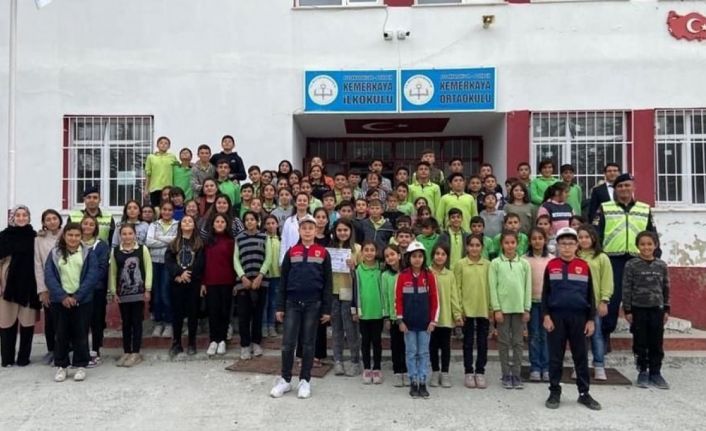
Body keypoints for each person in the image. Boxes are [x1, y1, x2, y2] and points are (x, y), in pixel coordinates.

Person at [270, 214, 332, 399]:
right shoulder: (291, 252)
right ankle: (285, 379)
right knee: (288, 343)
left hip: (314, 304)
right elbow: (283, 281)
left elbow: (328, 283)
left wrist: (326, 309)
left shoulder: (323, 253)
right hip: (292, 304)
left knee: (308, 344)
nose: (307, 231)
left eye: (310, 228)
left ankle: (305, 380)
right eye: (304, 228)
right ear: (299, 230)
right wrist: (280, 306)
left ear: (316, 230)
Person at [594, 173, 658, 352]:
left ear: (633, 187)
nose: (624, 189)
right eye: (620, 186)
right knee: (611, 299)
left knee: (639, 299)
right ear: (615, 189)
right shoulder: (605, 208)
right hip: (612, 260)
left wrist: (655, 256)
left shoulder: (644, 209)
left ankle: (639, 338)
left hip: (638, 260)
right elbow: (596, 234)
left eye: (627, 185)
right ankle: (605, 336)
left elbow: (652, 234)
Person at [542, 227, 601, 411]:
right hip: (556, 318)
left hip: (579, 318)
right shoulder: (551, 265)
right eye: (563, 244)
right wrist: (546, 316)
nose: (566, 247)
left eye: (570, 243)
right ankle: (554, 392)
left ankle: (584, 393)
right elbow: (545, 294)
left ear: (577, 246)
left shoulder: (584, 266)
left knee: (581, 356)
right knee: (555, 357)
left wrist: (591, 319)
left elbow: (591, 295)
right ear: (557, 246)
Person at [45, 223, 103, 382]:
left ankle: (80, 365)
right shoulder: (55, 253)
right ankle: (61, 366)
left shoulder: (88, 253)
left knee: (81, 334)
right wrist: (62, 296)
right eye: (70, 235)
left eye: (77, 235)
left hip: (82, 301)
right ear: (64, 236)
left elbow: (92, 275)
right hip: (60, 301)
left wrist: (77, 296)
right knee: (61, 334)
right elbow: (49, 276)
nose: (73, 238)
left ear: (81, 236)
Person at [623, 231, 670, 389]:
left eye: (650, 244)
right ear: (637, 246)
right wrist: (627, 310)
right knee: (640, 342)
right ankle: (642, 371)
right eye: (642, 244)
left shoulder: (661, 265)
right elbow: (626, 288)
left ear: (655, 245)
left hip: (657, 309)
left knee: (656, 342)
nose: (646, 247)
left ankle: (656, 373)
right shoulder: (631, 265)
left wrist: (666, 309)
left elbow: (666, 287)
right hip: (638, 309)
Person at [395, 241, 439, 399]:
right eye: (414, 256)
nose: (417, 259)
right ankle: (413, 381)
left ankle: (422, 381)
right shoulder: (402, 276)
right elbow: (398, 300)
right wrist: (400, 321)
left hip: (425, 324)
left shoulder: (429, 276)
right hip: (408, 324)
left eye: (420, 256)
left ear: (424, 258)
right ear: (408, 258)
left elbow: (435, 300)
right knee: (411, 352)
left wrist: (433, 321)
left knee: (424, 353)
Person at [489, 231, 531, 389]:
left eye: (512, 242)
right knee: (504, 342)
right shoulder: (496, 263)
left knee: (518, 343)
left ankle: (517, 374)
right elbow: (492, 287)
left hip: (519, 309)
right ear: (501, 244)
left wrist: (526, 308)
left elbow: (527, 287)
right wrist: (496, 309)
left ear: (517, 244)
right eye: (506, 243)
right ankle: (506, 374)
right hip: (503, 310)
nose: (510, 246)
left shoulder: (524, 264)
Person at [108, 224, 153, 368]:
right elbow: (113, 272)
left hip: (139, 292)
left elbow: (148, 268)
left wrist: (148, 289)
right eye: (124, 234)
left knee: (136, 322)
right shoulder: (115, 251)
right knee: (126, 322)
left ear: (135, 235)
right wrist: (113, 291)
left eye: (130, 233)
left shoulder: (142, 249)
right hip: (123, 293)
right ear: (120, 236)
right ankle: (126, 351)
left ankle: (136, 352)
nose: (127, 236)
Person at [0, 206, 39, 368]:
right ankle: (7, 358)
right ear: (13, 218)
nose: (21, 218)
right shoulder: (4, 236)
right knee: (6, 323)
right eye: (18, 215)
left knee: (27, 324)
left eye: (24, 215)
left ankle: (24, 358)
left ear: (29, 217)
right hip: (7, 284)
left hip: (29, 284)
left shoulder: (34, 236)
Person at [452, 234, 491, 389]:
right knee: (467, 342)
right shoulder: (460, 264)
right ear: (466, 247)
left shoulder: (488, 265)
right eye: (471, 245)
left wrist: (491, 308)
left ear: (482, 247)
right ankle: (468, 371)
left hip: (483, 308)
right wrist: (459, 309)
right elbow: (457, 287)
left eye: (477, 245)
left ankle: (480, 371)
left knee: (482, 342)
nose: (474, 248)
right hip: (466, 310)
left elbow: (491, 287)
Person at [576, 224, 613, 381]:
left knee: (596, 335)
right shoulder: (574, 256)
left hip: (595, 303)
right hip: (577, 303)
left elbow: (607, 280)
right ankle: (580, 365)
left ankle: (599, 365)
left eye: (587, 237)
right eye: (580, 237)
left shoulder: (601, 257)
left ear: (593, 238)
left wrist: (604, 300)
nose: (583, 240)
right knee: (579, 336)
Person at [234, 211, 271, 360]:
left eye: (252, 219)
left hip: (261, 281)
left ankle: (256, 343)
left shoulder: (264, 237)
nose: (249, 222)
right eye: (247, 220)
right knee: (243, 315)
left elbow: (268, 258)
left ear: (257, 221)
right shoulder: (239, 238)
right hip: (243, 282)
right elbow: (235, 260)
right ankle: (245, 345)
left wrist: (260, 276)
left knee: (258, 314)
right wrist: (242, 277)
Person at [165, 215, 204, 357]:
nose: (187, 223)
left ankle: (192, 343)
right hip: (177, 283)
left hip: (193, 283)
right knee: (177, 314)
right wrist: (179, 273)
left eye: (190, 221)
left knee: (193, 313)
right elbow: (169, 261)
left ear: (194, 225)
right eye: (184, 221)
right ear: (180, 225)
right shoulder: (173, 243)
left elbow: (200, 263)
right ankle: (176, 343)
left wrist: (189, 275)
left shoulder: (199, 244)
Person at [329, 219, 362, 377]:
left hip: (349, 291)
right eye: (339, 230)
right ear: (335, 232)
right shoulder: (330, 249)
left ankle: (355, 361)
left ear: (351, 231)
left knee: (351, 328)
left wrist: (354, 268)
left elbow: (362, 273)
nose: (342, 233)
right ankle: (338, 361)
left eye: (345, 230)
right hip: (333, 291)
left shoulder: (357, 249)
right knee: (336, 328)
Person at [78, 216, 111, 366]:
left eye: (91, 224)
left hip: (96, 289)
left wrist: (89, 283)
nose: (88, 226)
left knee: (96, 320)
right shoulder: (74, 243)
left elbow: (102, 267)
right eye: (85, 223)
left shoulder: (101, 245)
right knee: (80, 321)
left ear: (95, 228)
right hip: (77, 289)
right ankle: (81, 350)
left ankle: (95, 350)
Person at [352, 241, 385, 385]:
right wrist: (355, 310)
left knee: (377, 341)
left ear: (376, 252)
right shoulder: (358, 269)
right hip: (363, 312)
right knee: (365, 341)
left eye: (372, 250)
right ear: (362, 252)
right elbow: (355, 291)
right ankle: (366, 368)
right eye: (366, 250)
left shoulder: (381, 268)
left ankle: (377, 367)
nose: (369, 253)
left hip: (378, 311)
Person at [145, 201, 179, 338]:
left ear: (173, 212)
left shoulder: (177, 225)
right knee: (156, 293)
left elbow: (177, 241)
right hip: (154, 262)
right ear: (160, 211)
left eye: (170, 210)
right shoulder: (153, 225)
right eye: (164, 209)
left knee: (165, 293)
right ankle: (158, 323)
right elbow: (149, 242)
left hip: (168, 263)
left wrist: (159, 238)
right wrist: (168, 241)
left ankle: (169, 323)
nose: (167, 212)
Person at [34, 209, 63, 365]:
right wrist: (42, 290)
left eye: (54, 218)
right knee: (50, 320)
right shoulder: (39, 240)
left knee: (65, 320)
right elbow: (38, 264)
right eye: (48, 219)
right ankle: (52, 350)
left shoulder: (67, 234)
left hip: (66, 284)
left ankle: (65, 350)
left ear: (59, 219)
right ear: (44, 223)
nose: (52, 221)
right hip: (48, 285)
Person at [428, 244, 460, 388]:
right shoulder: (427, 272)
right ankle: (435, 372)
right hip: (431, 318)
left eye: (443, 254)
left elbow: (454, 295)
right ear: (432, 255)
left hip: (446, 316)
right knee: (433, 346)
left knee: (446, 346)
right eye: (437, 253)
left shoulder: (450, 274)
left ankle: (445, 372)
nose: (440, 257)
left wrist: (457, 314)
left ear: (447, 257)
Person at [526, 228, 553, 382]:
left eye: (540, 238)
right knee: (534, 335)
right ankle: (535, 367)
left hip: (547, 304)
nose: (537, 241)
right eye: (534, 238)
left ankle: (547, 367)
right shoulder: (524, 260)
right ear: (530, 241)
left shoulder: (551, 260)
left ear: (545, 240)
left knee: (546, 335)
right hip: (531, 302)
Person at [382, 244, 407, 387]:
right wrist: (386, 316)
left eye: (392, 254)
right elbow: (385, 297)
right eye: (387, 256)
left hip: (407, 316)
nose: (390, 258)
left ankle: (407, 371)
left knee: (408, 345)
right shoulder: (385, 275)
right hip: (392, 316)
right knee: (396, 345)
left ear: (399, 255)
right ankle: (398, 371)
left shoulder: (407, 273)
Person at [144, 136, 178, 208]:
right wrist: (146, 189)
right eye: (161, 143)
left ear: (169, 146)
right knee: (156, 209)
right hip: (155, 188)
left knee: (169, 208)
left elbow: (178, 170)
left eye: (166, 143)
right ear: (157, 145)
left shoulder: (172, 157)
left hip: (169, 188)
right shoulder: (151, 157)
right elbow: (148, 174)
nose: (163, 145)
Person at [262, 215, 282, 338]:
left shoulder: (280, 239)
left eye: (273, 223)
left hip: (277, 275)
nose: (270, 225)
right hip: (264, 275)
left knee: (274, 302)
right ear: (264, 225)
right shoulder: (262, 239)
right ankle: (263, 325)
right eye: (268, 223)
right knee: (264, 302)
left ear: (277, 224)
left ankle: (271, 325)